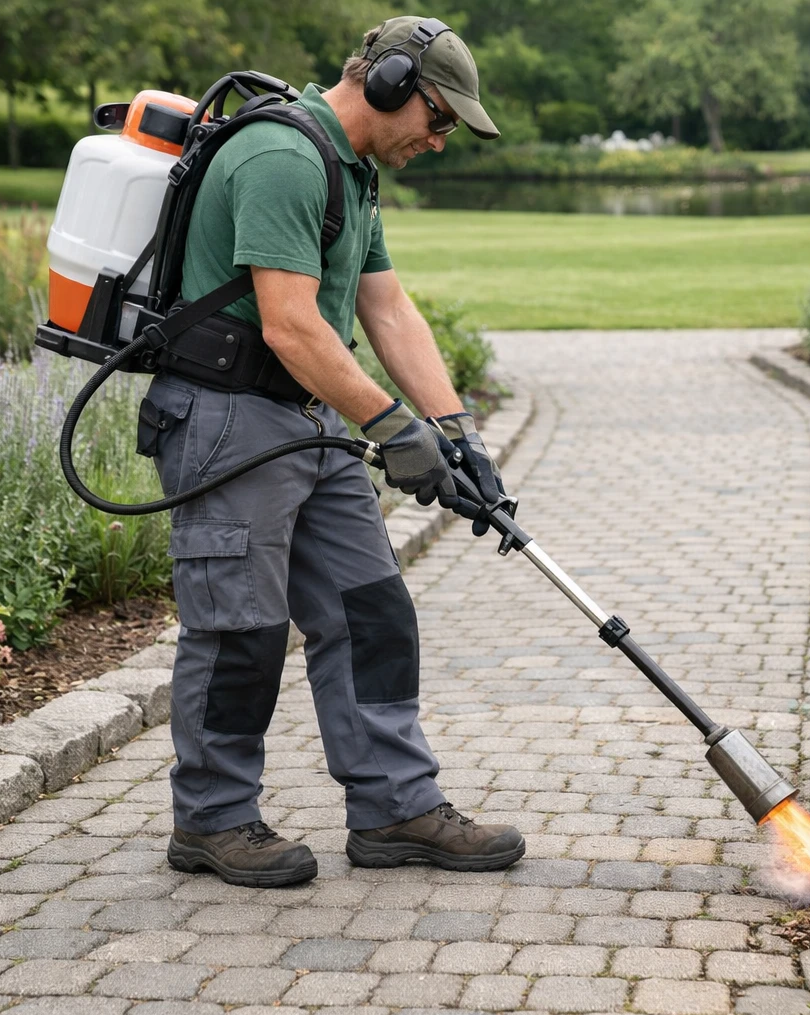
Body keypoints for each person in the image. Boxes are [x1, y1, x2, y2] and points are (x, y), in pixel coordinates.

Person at [147, 15, 524, 887]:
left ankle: (396, 806)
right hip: (226, 418)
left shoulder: (351, 172)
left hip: (307, 418)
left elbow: (387, 310)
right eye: (438, 119)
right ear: (390, 83)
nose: (439, 139)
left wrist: (457, 431)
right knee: (240, 626)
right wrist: (394, 429)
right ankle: (211, 820)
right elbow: (290, 325)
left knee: (371, 612)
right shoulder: (282, 157)